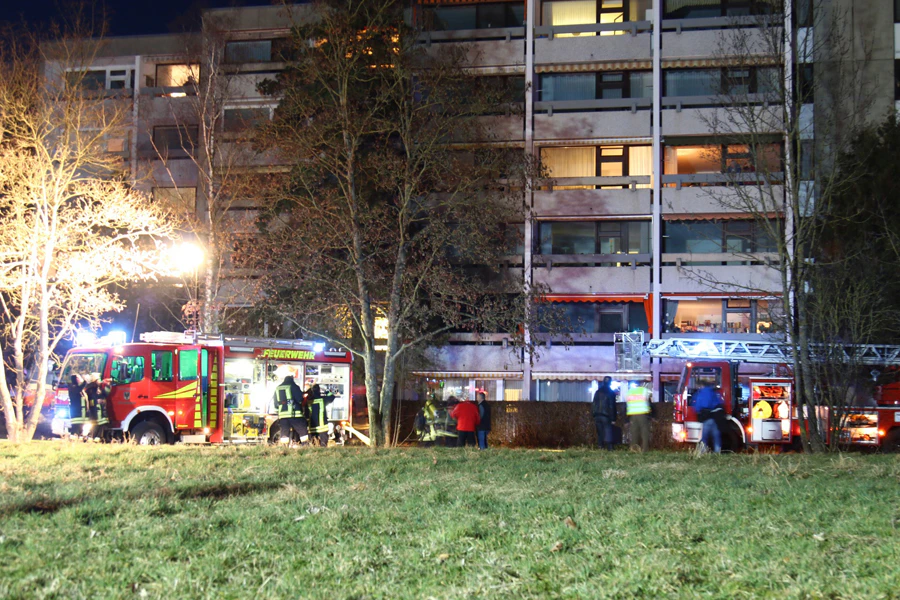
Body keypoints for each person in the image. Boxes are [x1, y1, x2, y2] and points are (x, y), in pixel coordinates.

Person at [273, 375, 308, 445]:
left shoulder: (278, 388)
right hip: (294, 414)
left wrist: (279, 411)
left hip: (283, 415)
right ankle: (305, 445)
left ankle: (284, 447)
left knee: (284, 432)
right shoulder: (294, 386)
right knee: (302, 431)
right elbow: (300, 399)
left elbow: (276, 403)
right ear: (292, 380)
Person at [693, 382, 724, 454]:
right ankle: (717, 452)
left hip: (706, 418)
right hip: (715, 418)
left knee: (704, 437)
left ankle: (703, 452)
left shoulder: (701, 393)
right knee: (716, 437)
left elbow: (698, 406)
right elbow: (720, 402)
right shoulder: (713, 392)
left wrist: (697, 411)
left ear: (702, 385)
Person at [592, 376, 618, 450]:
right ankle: (610, 448)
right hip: (606, 415)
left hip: (597, 415)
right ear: (610, 383)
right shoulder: (610, 392)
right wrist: (613, 418)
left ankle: (600, 446)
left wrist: (594, 414)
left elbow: (594, 403)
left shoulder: (597, 392)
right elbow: (611, 406)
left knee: (600, 432)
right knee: (608, 431)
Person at [625, 384, 651, 452]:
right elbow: (648, 402)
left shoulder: (629, 392)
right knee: (644, 433)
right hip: (642, 414)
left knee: (634, 433)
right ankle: (645, 449)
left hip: (632, 415)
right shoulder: (644, 390)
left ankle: (634, 449)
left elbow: (626, 404)